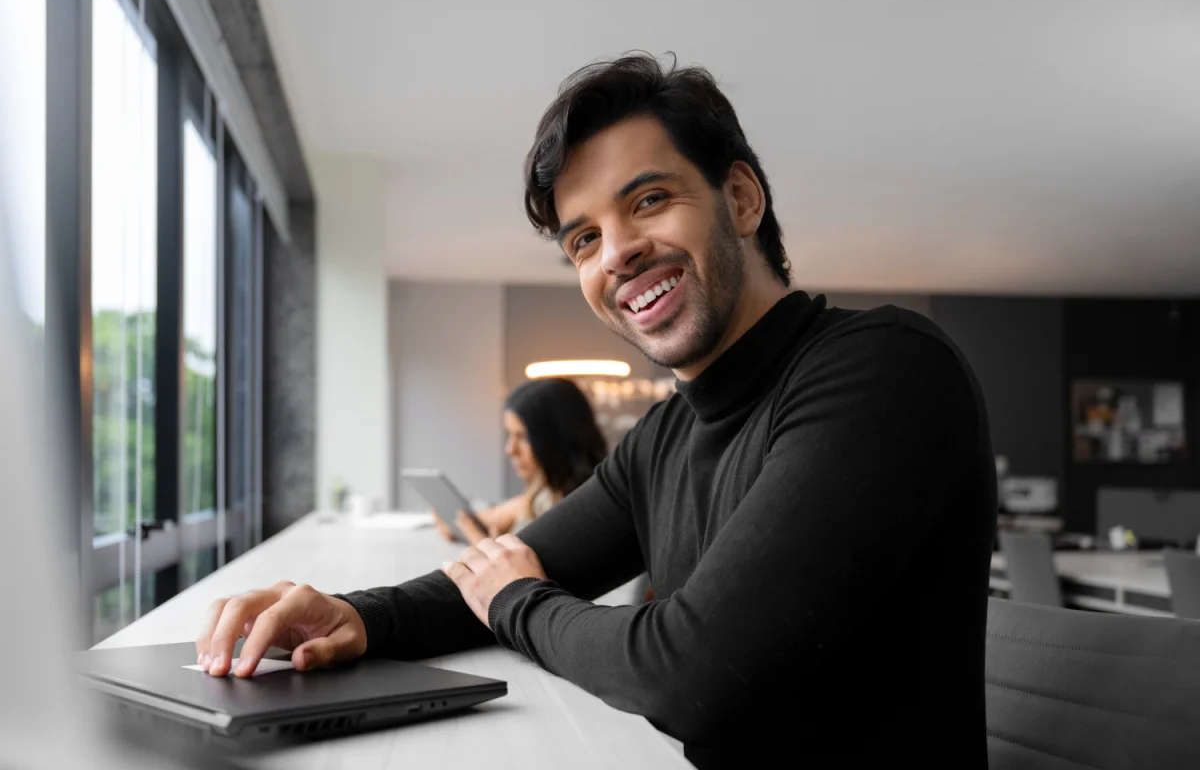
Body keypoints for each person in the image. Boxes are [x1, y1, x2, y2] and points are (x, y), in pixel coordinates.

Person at [194, 53, 996, 768]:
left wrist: (518, 602)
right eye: (583, 240)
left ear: (742, 199)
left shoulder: (883, 370)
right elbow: (491, 573)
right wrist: (350, 617)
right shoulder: (665, 435)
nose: (616, 253)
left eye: (648, 200)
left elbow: (688, 673)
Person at [431, 378, 608, 544]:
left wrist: (478, 541)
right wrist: (462, 525)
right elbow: (495, 516)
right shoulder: (540, 496)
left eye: (523, 436)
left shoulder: (570, 512)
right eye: (510, 435)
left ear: (556, 439)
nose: (510, 449)